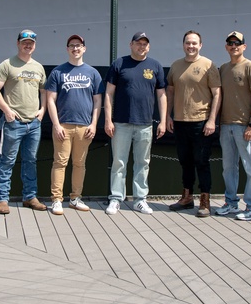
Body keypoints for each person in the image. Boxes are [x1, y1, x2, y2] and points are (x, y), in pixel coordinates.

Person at [103, 31, 167, 215]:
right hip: (121, 122)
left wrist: (162, 121)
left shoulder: (155, 66)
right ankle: (116, 199)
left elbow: (162, 95)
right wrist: (108, 119)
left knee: (143, 162)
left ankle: (140, 199)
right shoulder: (119, 64)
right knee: (119, 162)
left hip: (145, 123)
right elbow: (109, 93)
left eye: (145, 44)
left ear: (149, 46)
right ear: (131, 44)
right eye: (138, 43)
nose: (142, 46)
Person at [0, 29, 47, 214]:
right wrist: (7, 110)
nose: (28, 45)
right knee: (7, 161)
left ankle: (30, 196)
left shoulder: (38, 67)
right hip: (13, 123)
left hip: (34, 123)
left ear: (35, 45)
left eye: (31, 42)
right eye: (24, 42)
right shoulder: (7, 65)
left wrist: (42, 110)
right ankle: (2, 199)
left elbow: (44, 91)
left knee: (31, 160)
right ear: (18, 43)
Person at [45, 34, 102, 215]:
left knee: (79, 164)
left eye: (78, 45)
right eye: (72, 46)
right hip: (63, 125)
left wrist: (94, 124)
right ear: (67, 49)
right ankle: (56, 199)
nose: (75, 48)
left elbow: (97, 101)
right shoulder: (58, 72)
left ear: (84, 48)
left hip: (84, 126)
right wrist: (56, 124)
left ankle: (75, 198)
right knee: (60, 162)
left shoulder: (93, 73)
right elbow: (50, 100)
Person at [166, 31, 221, 218]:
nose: (191, 46)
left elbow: (217, 94)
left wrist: (212, 120)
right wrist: (167, 116)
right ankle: (187, 197)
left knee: (202, 162)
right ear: (183, 45)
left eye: (194, 43)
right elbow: (170, 92)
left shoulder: (209, 65)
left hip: (201, 122)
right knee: (185, 161)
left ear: (201, 45)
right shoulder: (175, 66)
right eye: (188, 43)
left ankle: (205, 201)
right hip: (181, 122)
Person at [215, 31, 251, 221]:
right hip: (226, 125)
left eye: (238, 43)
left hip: (244, 126)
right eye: (230, 43)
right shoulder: (223, 68)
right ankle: (231, 202)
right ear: (226, 46)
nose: (234, 46)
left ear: (244, 46)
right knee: (228, 167)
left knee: (250, 167)